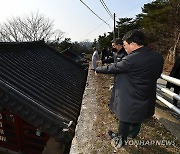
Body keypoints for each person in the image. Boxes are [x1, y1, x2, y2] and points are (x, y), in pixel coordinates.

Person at [95, 29, 164, 149]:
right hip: (147, 93)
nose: (125, 48)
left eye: (126, 45)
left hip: (131, 94)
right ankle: (132, 134)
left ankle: (121, 139)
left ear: (133, 44)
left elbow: (114, 67)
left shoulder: (132, 58)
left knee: (125, 117)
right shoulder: (158, 57)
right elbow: (157, 74)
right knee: (139, 116)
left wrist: (97, 69)